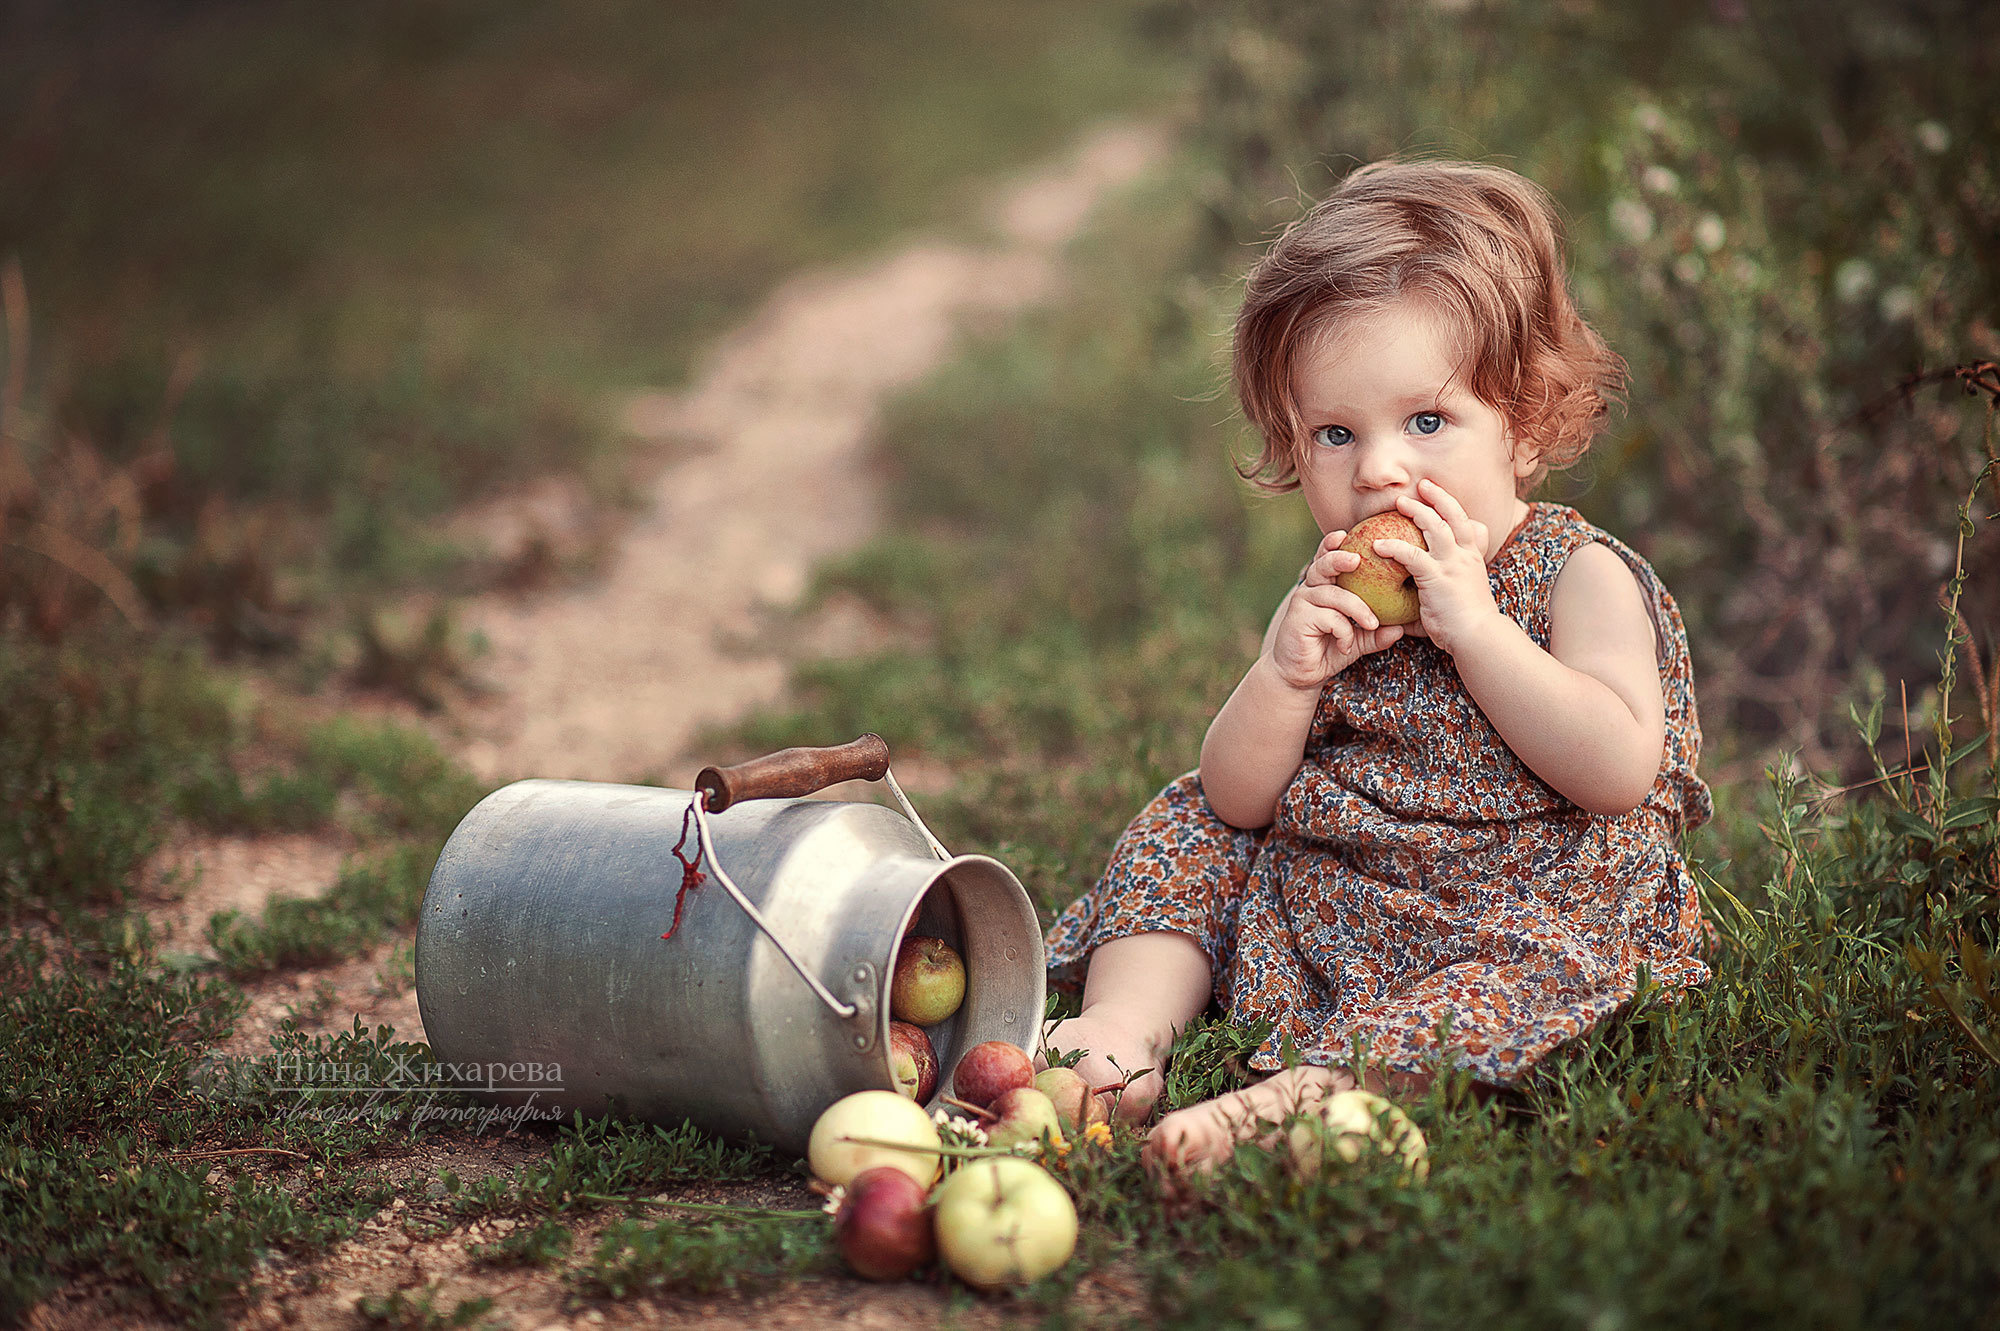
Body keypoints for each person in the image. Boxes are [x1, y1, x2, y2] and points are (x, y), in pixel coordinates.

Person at [1039, 158, 1712, 1177]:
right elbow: (1241, 794)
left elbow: (1618, 768)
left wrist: (1477, 630)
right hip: (1346, 880)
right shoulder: (1336, 596)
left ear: (1522, 423)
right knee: (1190, 817)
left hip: (1519, 899)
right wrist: (1283, 673)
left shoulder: (1576, 575)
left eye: (1426, 422)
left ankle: (1309, 1097)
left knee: (1542, 966)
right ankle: (1118, 1034)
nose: (1377, 470)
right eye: (1334, 433)